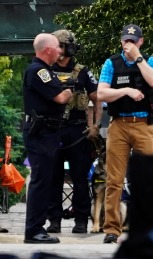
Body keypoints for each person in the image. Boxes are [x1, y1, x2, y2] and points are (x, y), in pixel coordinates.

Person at [97, 23, 153, 244]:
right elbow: (101, 93)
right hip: (119, 124)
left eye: (133, 41)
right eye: (126, 41)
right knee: (114, 180)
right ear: (121, 41)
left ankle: (146, 227)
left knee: (147, 178)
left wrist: (138, 58)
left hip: (143, 124)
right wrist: (125, 90)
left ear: (141, 42)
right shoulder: (111, 63)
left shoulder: (151, 61)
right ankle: (112, 229)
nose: (129, 44)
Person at [21, 32, 74, 244]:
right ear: (47, 50)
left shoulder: (44, 71)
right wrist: (70, 90)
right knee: (41, 181)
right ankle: (33, 229)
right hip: (41, 133)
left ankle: (37, 227)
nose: (60, 52)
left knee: (45, 180)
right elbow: (60, 97)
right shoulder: (39, 71)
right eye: (57, 48)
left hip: (48, 133)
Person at [46, 29, 100, 235]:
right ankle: (54, 220)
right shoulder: (46, 70)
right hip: (53, 129)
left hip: (77, 131)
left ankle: (81, 220)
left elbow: (97, 99)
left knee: (79, 178)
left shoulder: (83, 72)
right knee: (54, 177)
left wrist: (95, 126)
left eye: (61, 45)